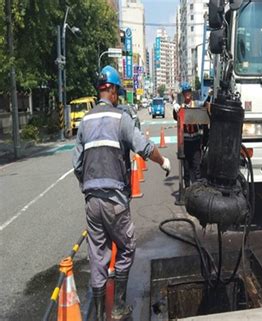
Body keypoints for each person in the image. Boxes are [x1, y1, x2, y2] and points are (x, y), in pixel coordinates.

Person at [72, 66, 171, 321]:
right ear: (113, 91)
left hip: (92, 202)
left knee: (98, 255)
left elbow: (77, 165)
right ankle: (117, 307)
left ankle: (98, 315)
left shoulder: (85, 121)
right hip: (115, 201)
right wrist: (164, 162)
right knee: (126, 247)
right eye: (118, 91)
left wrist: (89, 186)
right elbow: (144, 147)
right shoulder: (121, 119)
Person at [173, 82, 203, 187]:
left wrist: (210, 96)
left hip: (195, 140)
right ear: (183, 94)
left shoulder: (196, 104)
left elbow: (205, 104)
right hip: (185, 142)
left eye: (188, 92)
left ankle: (198, 190)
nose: (187, 94)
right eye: (185, 92)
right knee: (186, 168)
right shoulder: (180, 107)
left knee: (197, 167)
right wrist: (174, 107)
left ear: (191, 93)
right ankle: (187, 190)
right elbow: (176, 117)